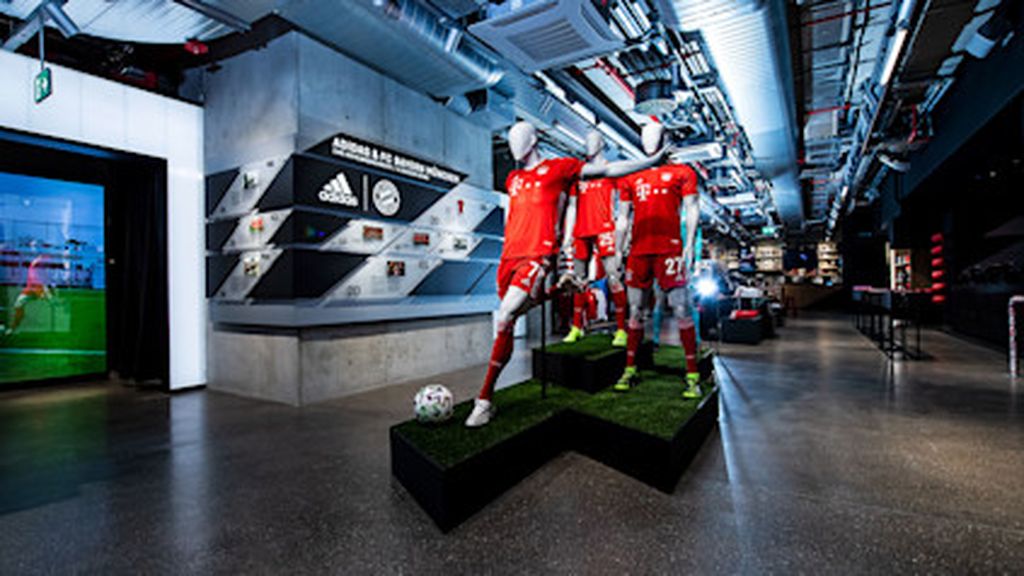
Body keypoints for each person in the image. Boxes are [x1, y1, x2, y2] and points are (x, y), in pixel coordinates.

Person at [464, 121, 666, 428]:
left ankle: (484, 399)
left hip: (537, 254)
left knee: (504, 315)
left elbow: (607, 171)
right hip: (509, 257)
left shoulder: (559, 168)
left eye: (520, 137)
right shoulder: (513, 178)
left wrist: (650, 161)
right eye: (510, 138)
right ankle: (558, 291)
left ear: (534, 139)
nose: (514, 143)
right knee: (512, 316)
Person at [614, 123, 703, 399]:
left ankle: (692, 375)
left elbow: (692, 207)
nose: (648, 140)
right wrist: (618, 249)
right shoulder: (630, 176)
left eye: (654, 135)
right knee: (635, 311)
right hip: (639, 251)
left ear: (665, 138)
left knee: (681, 309)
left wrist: (690, 244)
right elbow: (623, 217)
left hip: (670, 250)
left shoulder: (682, 173)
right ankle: (630, 369)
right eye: (644, 136)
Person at [561, 130, 629, 347]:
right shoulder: (579, 173)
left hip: (604, 229)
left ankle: (621, 329)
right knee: (578, 280)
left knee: (613, 277)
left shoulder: (611, 171)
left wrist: (621, 241)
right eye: (586, 141)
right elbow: (572, 206)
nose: (588, 145)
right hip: (582, 231)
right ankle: (576, 327)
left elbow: (622, 206)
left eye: (593, 141)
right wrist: (567, 234)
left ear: (601, 144)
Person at [5, 252, 53, 337]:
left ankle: (13, 328)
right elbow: (36, 281)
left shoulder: (41, 267)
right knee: (18, 305)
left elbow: (42, 282)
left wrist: (44, 292)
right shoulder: (34, 266)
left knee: (51, 301)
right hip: (31, 290)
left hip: (38, 289)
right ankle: (13, 328)